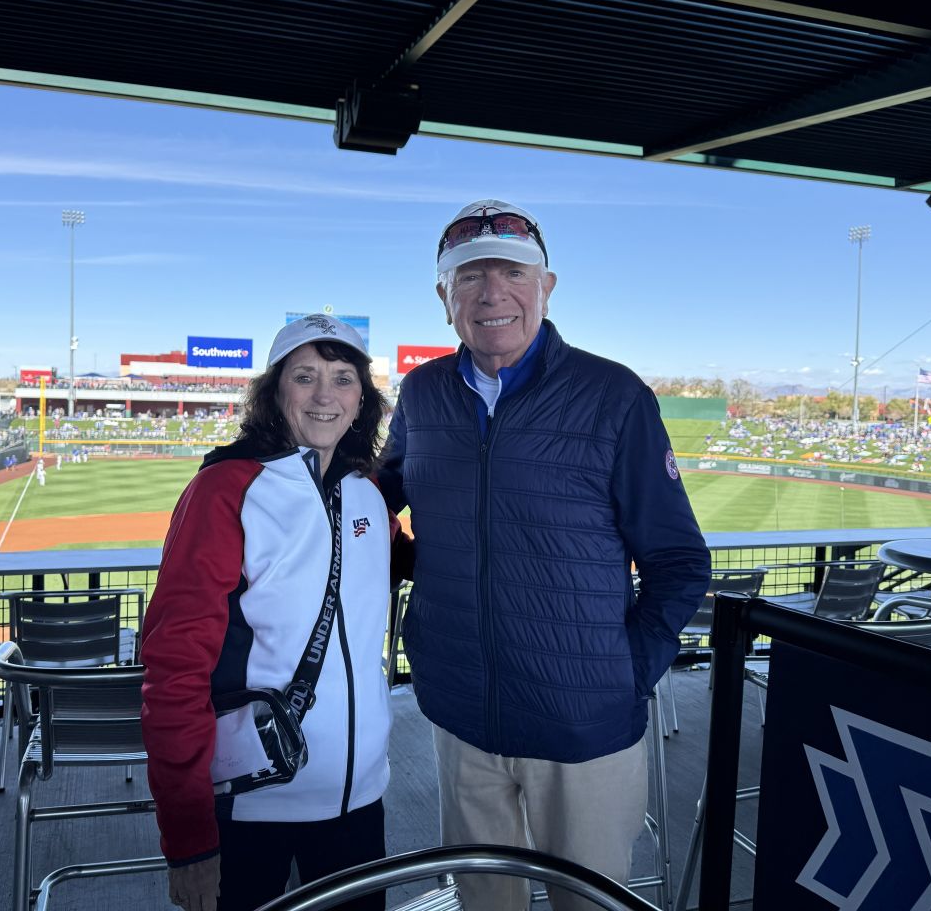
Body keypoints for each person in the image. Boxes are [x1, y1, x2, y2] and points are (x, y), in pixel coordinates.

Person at [378, 199, 711, 910]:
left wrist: (624, 670)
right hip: (461, 712)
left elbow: (680, 562)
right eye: (469, 277)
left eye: (511, 272)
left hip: (582, 722)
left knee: (585, 903)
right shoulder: (422, 390)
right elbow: (378, 503)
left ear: (546, 287)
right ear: (445, 299)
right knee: (484, 902)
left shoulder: (614, 395)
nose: (491, 292)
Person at [142, 314, 406, 911]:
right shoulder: (223, 490)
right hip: (248, 804)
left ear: (362, 397)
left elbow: (398, 561)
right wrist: (188, 839)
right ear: (273, 392)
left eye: (342, 378)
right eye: (305, 376)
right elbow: (174, 667)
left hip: (360, 801)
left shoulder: (365, 491)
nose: (324, 396)